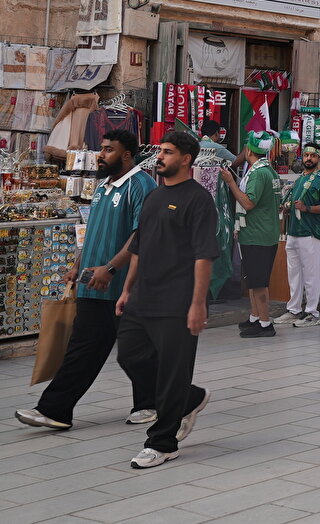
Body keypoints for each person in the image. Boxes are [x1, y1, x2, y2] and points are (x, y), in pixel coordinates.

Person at [16, 130, 157, 432]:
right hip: (92, 283)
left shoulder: (140, 184)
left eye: (108, 150)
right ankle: (57, 410)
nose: (101, 155)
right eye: (102, 149)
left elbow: (141, 234)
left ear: (127, 155)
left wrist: (110, 268)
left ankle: (149, 403)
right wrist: (76, 265)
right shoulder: (103, 186)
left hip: (120, 285)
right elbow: (92, 229)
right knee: (92, 349)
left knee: (131, 351)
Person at [115, 131, 217, 469]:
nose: (160, 157)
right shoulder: (155, 196)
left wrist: (198, 303)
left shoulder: (198, 200)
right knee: (130, 356)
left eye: (168, 152)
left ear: (186, 159)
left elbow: (204, 255)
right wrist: (128, 289)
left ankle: (162, 442)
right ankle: (190, 397)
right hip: (143, 296)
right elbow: (139, 247)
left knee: (173, 371)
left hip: (178, 300)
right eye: (160, 151)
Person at [220, 132, 283, 338]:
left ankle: (266, 323)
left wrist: (231, 182)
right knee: (254, 280)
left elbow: (248, 203)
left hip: (258, 234)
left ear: (248, 150)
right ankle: (256, 317)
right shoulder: (268, 170)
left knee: (258, 282)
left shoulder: (258, 173)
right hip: (260, 232)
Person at [274, 143, 320, 328]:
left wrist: (307, 208)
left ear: (319, 159)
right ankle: (293, 310)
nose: (308, 158)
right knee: (294, 274)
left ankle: (312, 313)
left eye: (313, 156)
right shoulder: (301, 178)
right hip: (293, 231)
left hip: (310, 232)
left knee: (311, 274)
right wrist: (286, 206)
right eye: (306, 155)